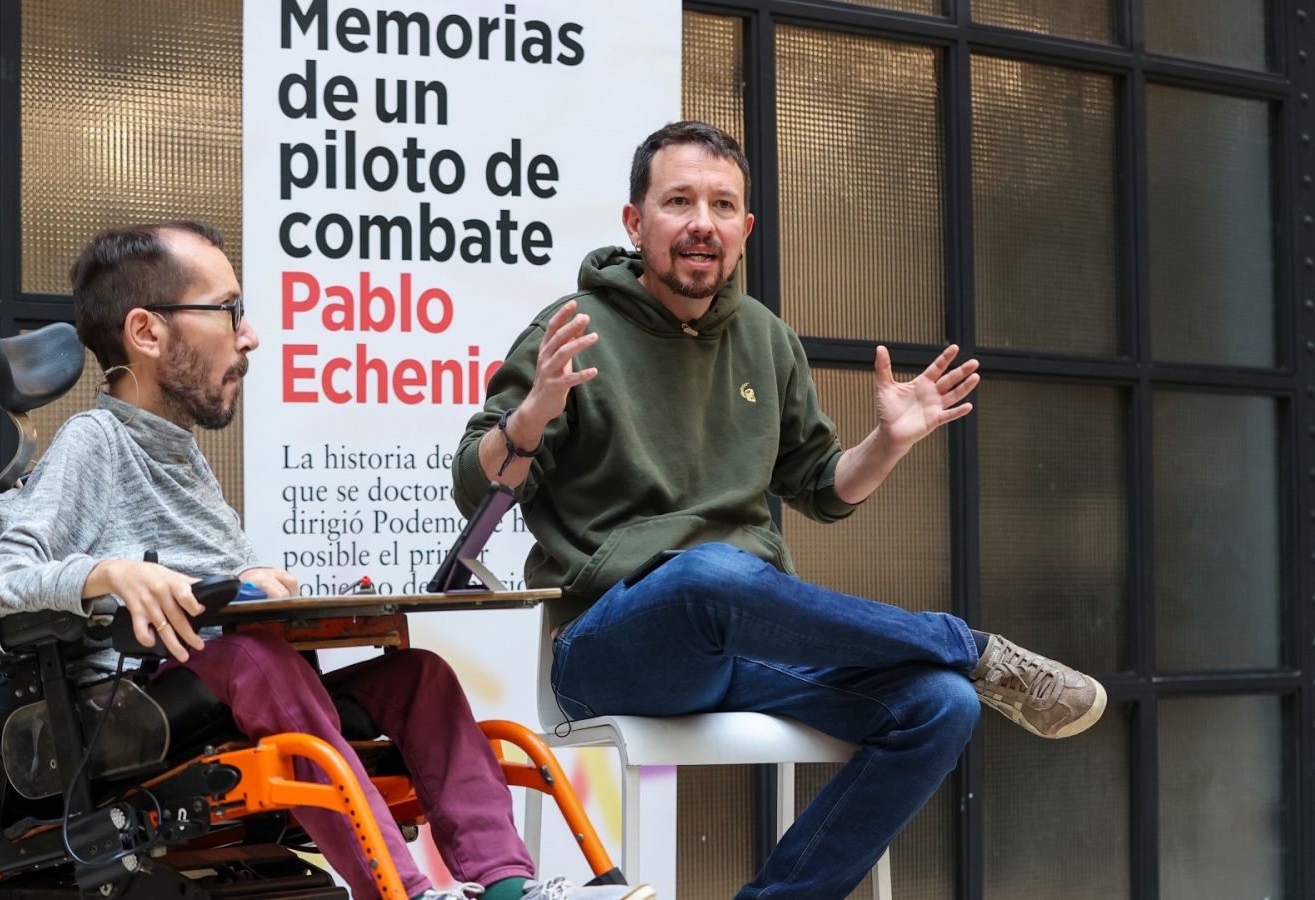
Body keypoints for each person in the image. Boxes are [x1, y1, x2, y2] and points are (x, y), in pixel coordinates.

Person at [453, 122, 1106, 900]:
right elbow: (477, 486)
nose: (703, 221)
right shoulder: (573, 332)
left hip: (742, 647)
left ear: (745, 229)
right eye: (679, 201)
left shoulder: (766, 338)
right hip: (610, 648)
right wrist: (531, 415)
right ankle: (967, 643)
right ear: (636, 223)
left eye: (723, 205)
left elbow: (824, 489)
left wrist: (888, 442)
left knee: (940, 705)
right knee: (705, 576)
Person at [0, 221, 654, 900]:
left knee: (422, 677)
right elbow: (1, 574)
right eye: (228, 311)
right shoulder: (93, 442)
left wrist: (246, 583)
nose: (250, 336)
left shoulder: (179, 453)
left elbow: (210, 590)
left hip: (240, 680)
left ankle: (507, 887)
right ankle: (401, 893)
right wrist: (106, 573)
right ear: (147, 334)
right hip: (138, 706)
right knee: (256, 660)